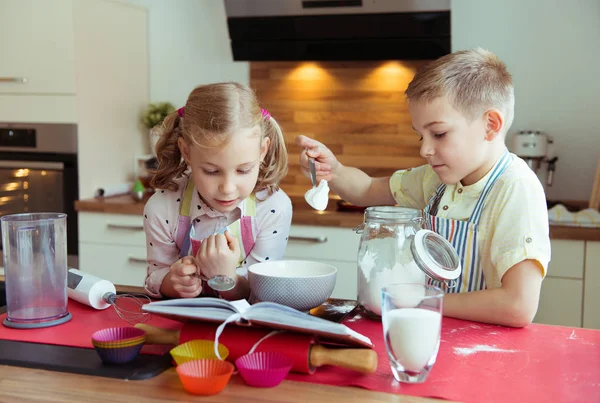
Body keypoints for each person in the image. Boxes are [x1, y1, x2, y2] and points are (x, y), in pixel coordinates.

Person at [296, 48, 550, 327]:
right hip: (429, 331)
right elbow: (367, 190)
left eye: (439, 134)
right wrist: (334, 171)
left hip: (482, 346)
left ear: (490, 125)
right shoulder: (435, 180)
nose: (426, 149)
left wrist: (416, 299)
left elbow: (518, 305)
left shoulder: (515, 189)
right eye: (421, 136)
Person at [144, 82, 292, 301]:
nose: (227, 188)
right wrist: (173, 282)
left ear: (262, 151)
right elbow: (155, 276)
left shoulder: (272, 207)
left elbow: (262, 292)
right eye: (212, 171)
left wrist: (225, 277)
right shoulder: (162, 208)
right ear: (186, 152)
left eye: (243, 170)